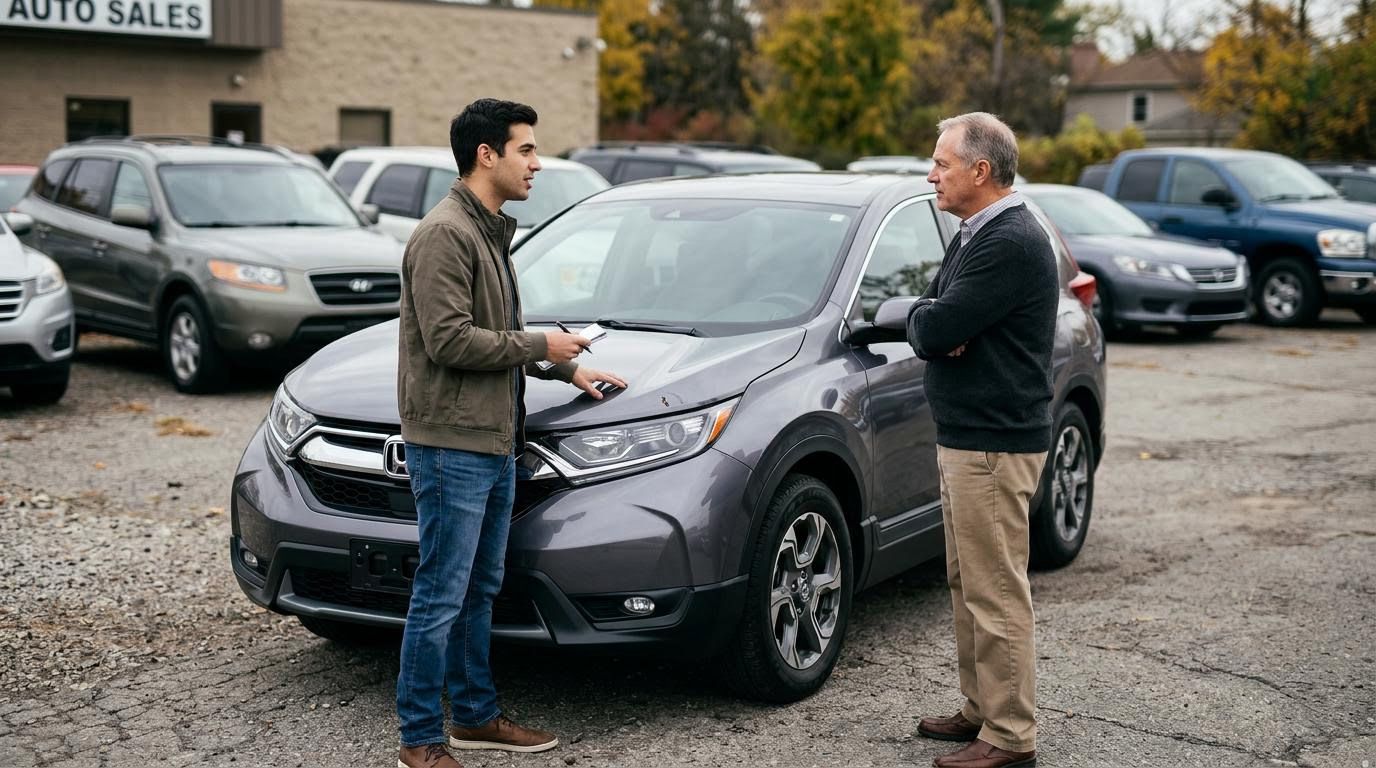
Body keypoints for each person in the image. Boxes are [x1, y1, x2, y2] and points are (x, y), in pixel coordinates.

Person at [395, 98, 627, 768]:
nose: (538, 161)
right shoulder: (446, 234)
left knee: (476, 590)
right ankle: (419, 740)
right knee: (441, 592)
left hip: (494, 441)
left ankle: (474, 717)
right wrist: (542, 340)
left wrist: (565, 366)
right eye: (525, 149)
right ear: (485, 155)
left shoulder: (488, 232)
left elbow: (492, 337)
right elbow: (447, 341)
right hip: (451, 446)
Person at [906, 112, 1057, 768]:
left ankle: (1009, 735)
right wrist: (933, 322)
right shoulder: (978, 232)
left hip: (995, 443)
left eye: (941, 163)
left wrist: (933, 326)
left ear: (980, 171)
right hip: (970, 436)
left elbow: (939, 326)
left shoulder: (1010, 240)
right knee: (968, 583)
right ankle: (981, 708)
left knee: (995, 590)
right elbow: (937, 312)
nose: (931, 173)